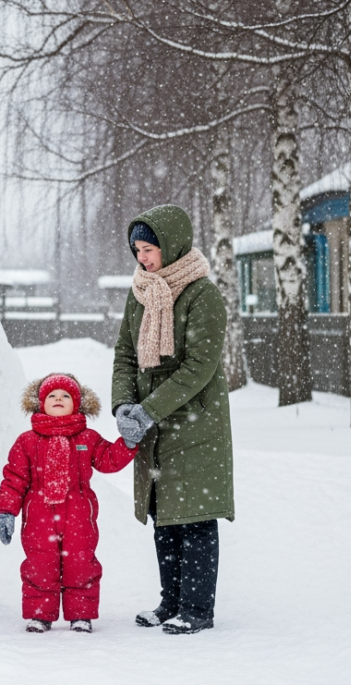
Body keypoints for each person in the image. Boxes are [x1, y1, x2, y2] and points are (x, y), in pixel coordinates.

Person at [111, 204, 235, 636]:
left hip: (194, 423)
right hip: (153, 424)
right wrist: (123, 405)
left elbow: (198, 368)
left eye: (150, 248)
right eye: (137, 250)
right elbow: (126, 354)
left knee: (195, 516)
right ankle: (172, 602)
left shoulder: (203, 295)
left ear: (172, 243)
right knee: (163, 516)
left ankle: (198, 609)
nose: (143, 258)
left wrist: (149, 409)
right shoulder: (140, 292)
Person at [0, 373, 136, 634]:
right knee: (40, 564)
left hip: (79, 515)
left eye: (66, 396)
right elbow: (14, 478)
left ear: (77, 404)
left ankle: (81, 615)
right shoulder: (27, 441)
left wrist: (128, 442)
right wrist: (6, 511)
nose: (58, 399)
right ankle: (40, 614)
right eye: (52, 395)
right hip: (38, 516)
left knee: (81, 563)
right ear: (41, 404)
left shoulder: (87, 437)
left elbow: (108, 460)